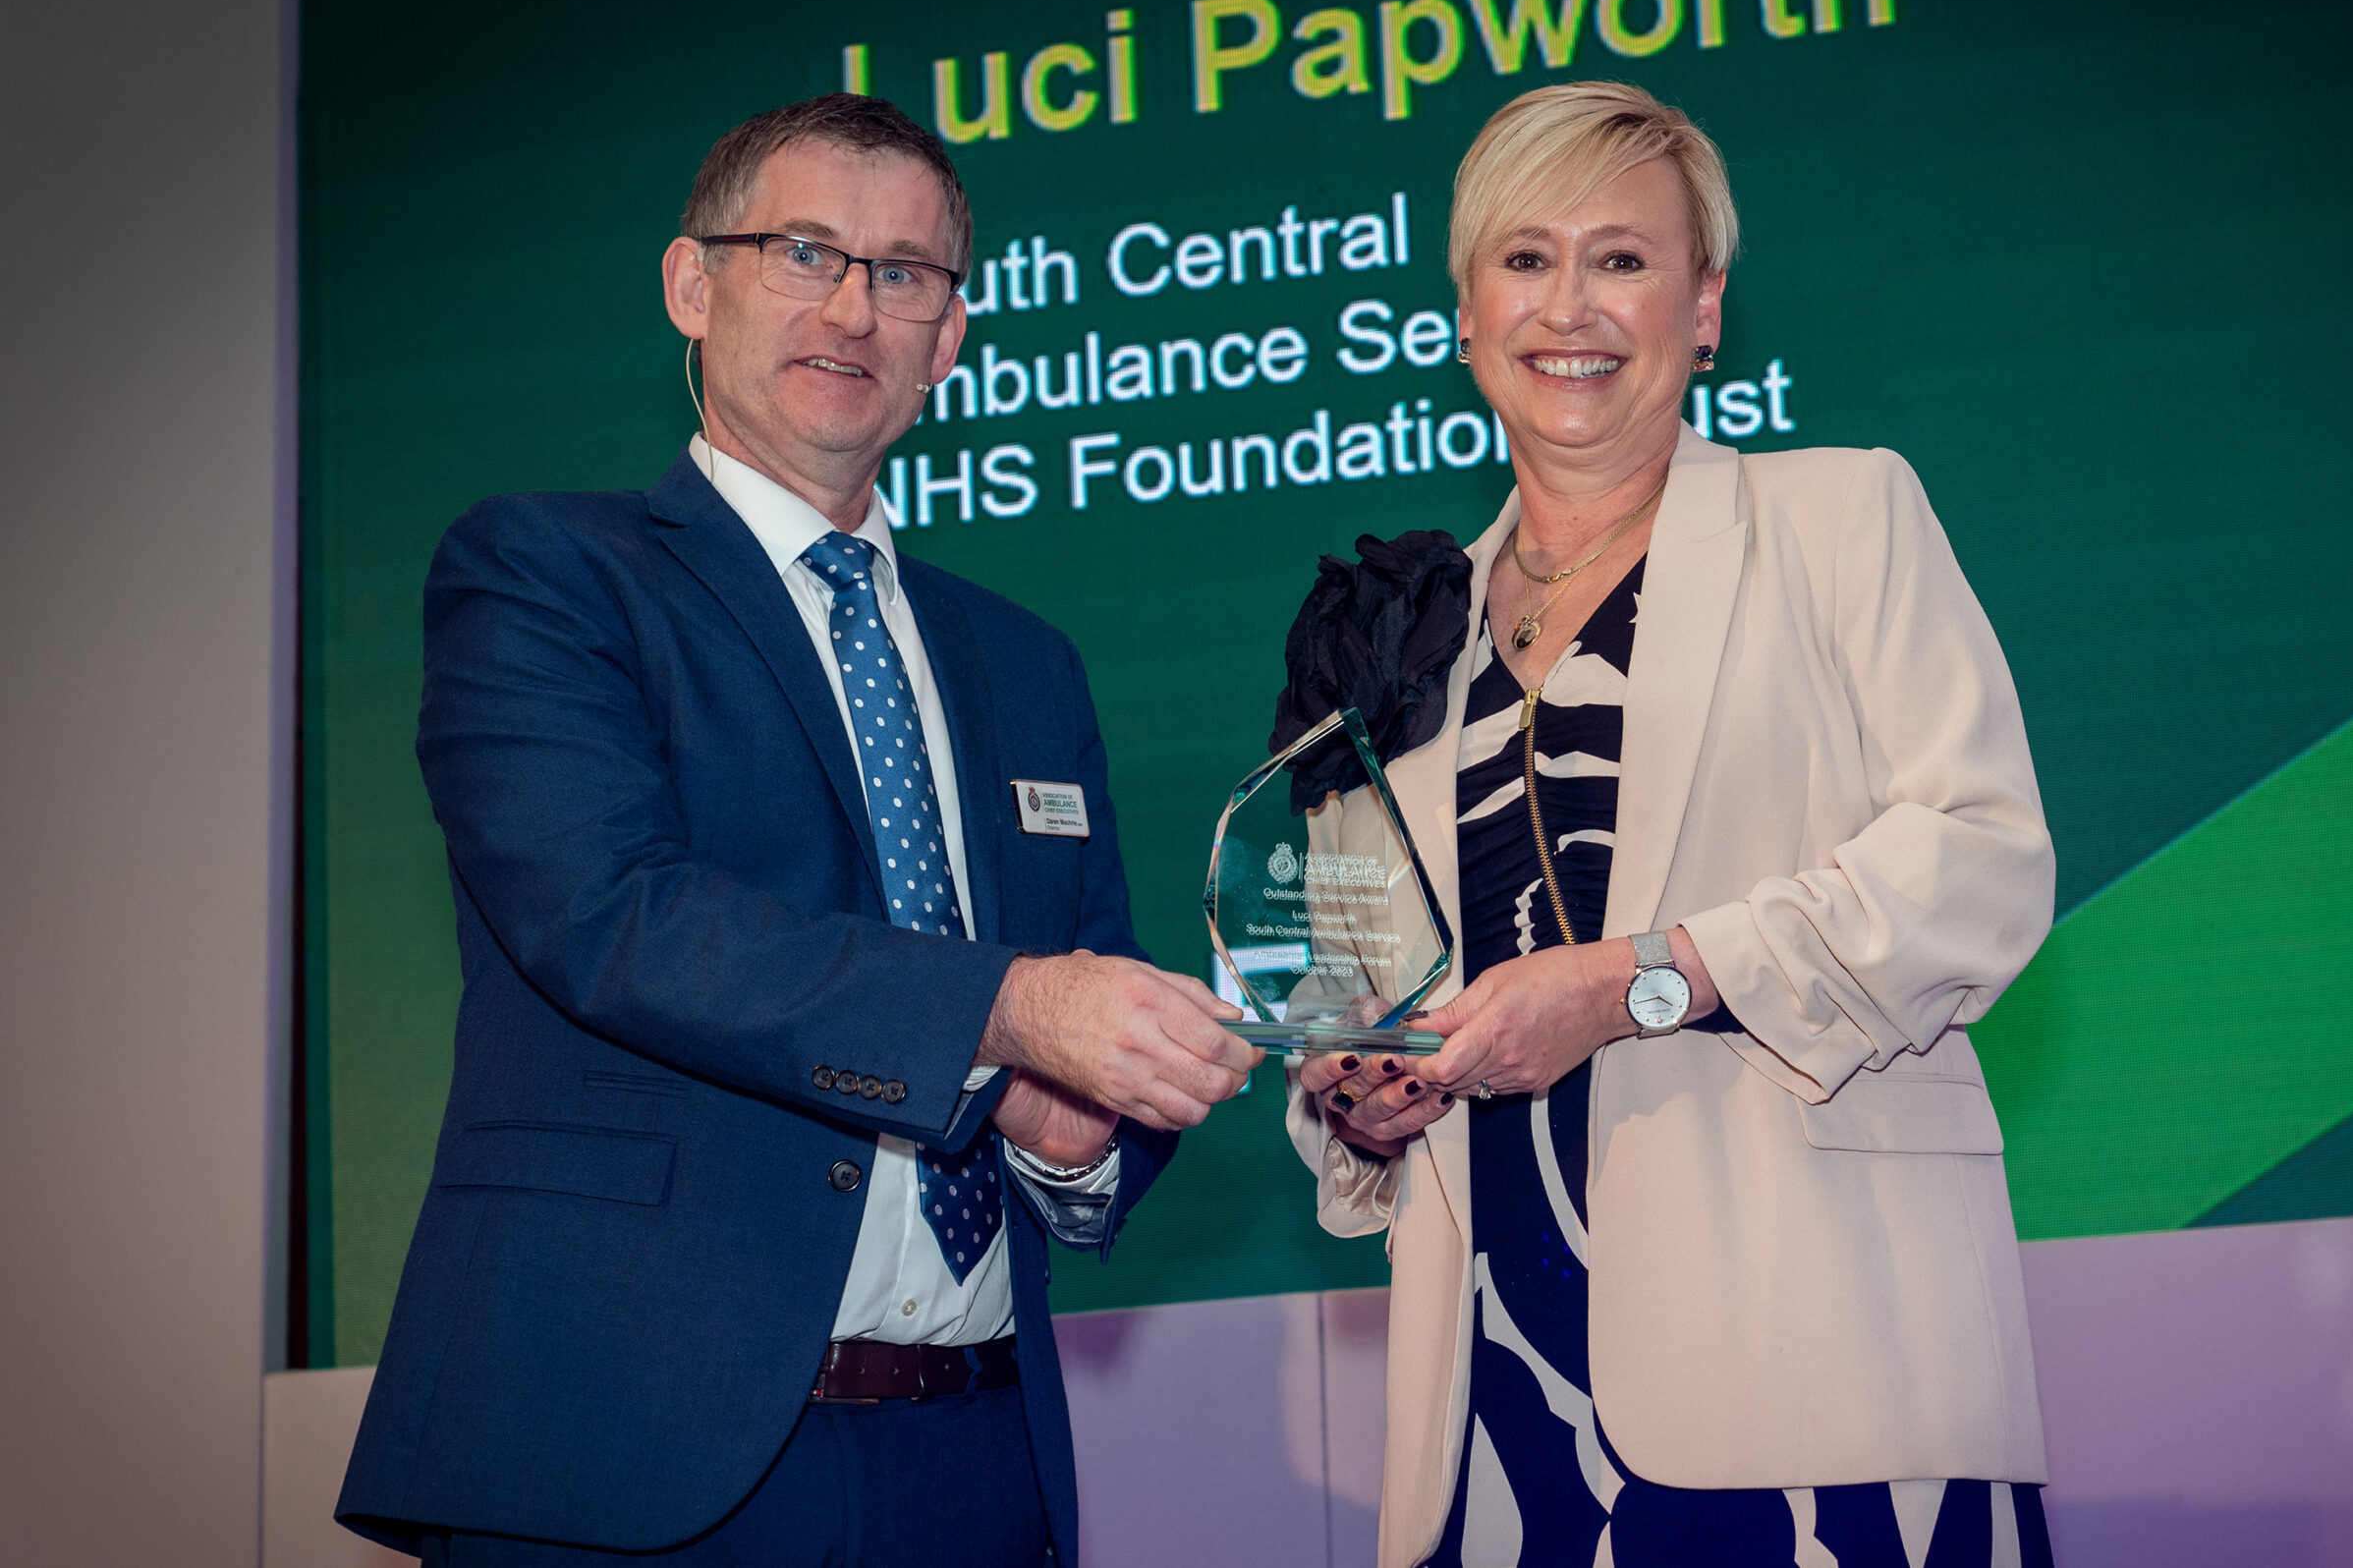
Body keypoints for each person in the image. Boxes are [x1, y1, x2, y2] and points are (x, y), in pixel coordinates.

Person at [337, 92, 1259, 1567]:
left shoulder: (1028, 663)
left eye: (905, 274)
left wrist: (1083, 1132)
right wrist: (1010, 1014)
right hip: (629, 1456)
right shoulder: (546, 575)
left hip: (976, 1457)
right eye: (806, 252)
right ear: (692, 288)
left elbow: (1089, 998)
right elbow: (611, 916)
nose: (854, 306)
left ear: (949, 341)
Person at [1286, 81, 2057, 1567]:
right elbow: (1350, 987)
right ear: (1461, 313)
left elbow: (1981, 863)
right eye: (1523, 259)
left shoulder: (1843, 518)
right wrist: (1353, 1095)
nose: (1568, 304)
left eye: (1621, 259)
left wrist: (1644, 979)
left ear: (1704, 307)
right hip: (1495, 1401)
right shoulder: (1395, 639)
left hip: (1815, 1363)